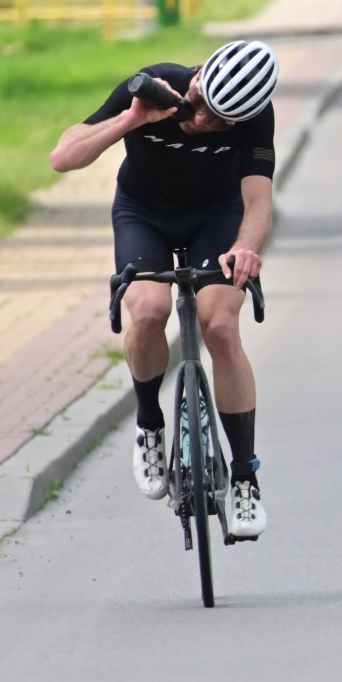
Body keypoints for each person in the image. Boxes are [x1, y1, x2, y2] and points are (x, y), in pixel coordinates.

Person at [47, 39, 280, 540]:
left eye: (219, 122)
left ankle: (244, 477)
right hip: (144, 214)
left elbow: (259, 201)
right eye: (200, 105)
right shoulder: (158, 84)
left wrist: (245, 248)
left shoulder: (257, 118)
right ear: (197, 79)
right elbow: (63, 157)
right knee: (150, 311)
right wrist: (130, 120)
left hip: (217, 218)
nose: (202, 120)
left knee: (221, 326)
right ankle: (150, 423)